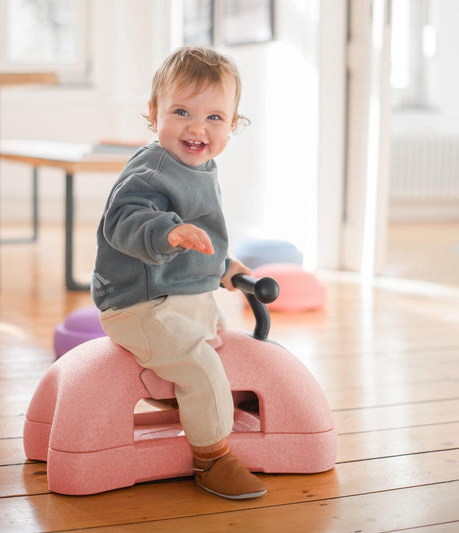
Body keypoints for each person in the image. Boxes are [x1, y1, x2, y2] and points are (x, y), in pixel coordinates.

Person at [91, 46, 266, 500]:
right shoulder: (150, 169)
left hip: (179, 295)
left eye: (214, 117)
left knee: (221, 338)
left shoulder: (202, 168)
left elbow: (199, 237)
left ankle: (202, 402)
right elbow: (124, 221)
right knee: (199, 363)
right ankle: (211, 458)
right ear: (154, 113)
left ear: (232, 124)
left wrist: (222, 267)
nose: (196, 128)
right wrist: (167, 233)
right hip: (139, 302)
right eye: (182, 112)